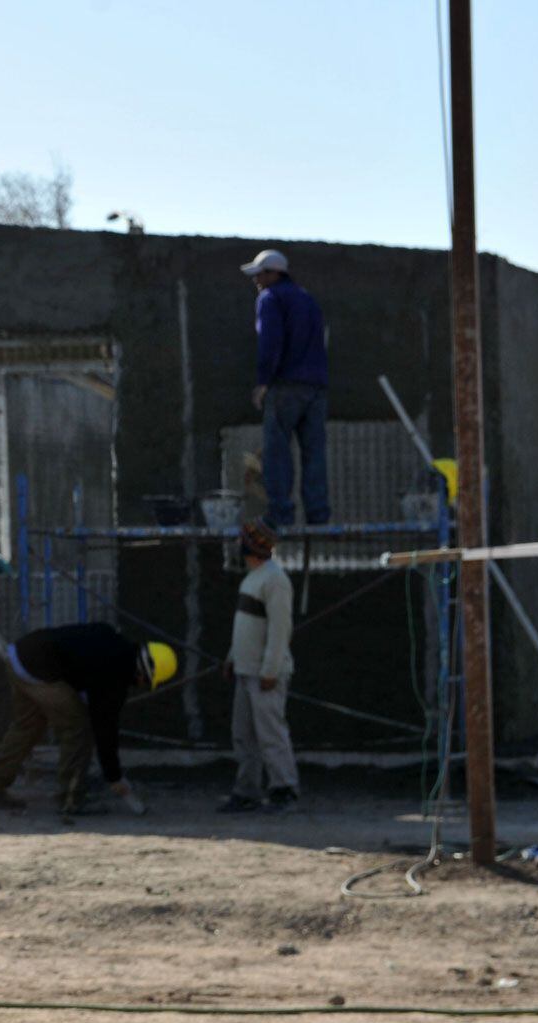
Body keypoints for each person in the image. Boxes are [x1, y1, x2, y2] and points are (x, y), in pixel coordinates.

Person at [0, 623, 177, 815]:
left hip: (19, 655)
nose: (140, 684)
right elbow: (104, 727)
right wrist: (114, 776)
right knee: (78, 729)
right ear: (144, 671)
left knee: (28, 726)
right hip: (40, 671)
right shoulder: (115, 674)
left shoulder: (112, 640)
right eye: (145, 681)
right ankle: (71, 800)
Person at [242, 248, 330, 528]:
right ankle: (318, 517)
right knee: (314, 454)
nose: (256, 280)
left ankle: (281, 514)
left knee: (277, 452)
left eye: (259, 274)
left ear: (273, 274)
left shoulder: (270, 299)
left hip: (286, 386)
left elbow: (270, 343)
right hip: (316, 387)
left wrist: (264, 382)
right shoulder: (307, 299)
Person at [218, 520, 299, 813]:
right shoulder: (252, 578)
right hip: (245, 670)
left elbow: (279, 630)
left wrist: (270, 671)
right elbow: (245, 627)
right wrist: (232, 659)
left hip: (264, 674)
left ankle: (284, 788)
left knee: (271, 734)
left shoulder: (274, 579)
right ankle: (247, 790)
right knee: (244, 735)